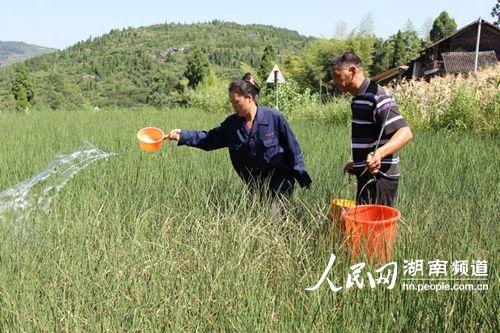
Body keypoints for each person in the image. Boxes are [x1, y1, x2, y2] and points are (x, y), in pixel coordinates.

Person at [166, 74, 312, 199]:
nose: (234, 107)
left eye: (237, 102)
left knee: (274, 220)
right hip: (255, 189)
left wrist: (302, 176)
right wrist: (183, 135)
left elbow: (293, 148)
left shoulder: (274, 118)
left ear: (249, 98)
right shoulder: (232, 124)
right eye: (231, 103)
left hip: (280, 184)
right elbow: (209, 139)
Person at [330, 52, 413, 207]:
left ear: (352, 71)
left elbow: (405, 132)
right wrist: (358, 164)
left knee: (377, 228)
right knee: (363, 229)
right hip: (366, 175)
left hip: (381, 177)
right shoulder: (359, 97)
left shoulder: (377, 96)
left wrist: (379, 154)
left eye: (337, 76)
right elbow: (371, 138)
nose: (334, 81)